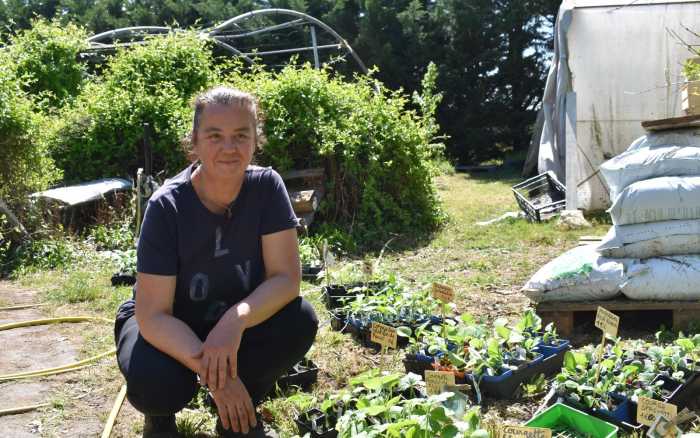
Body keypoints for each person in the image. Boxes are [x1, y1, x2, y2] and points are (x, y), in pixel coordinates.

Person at [113, 86, 319, 438]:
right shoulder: (167, 207)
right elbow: (154, 315)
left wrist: (233, 322)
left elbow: (285, 279)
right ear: (194, 141)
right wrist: (218, 379)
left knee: (299, 320)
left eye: (241, 135)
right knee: (154, 382)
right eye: (215, 136)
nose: (229, 147)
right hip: (170, 325)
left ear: (256, 140)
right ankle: (161, 417)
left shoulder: (267, 188)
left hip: (232, 317)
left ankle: (236, 413)